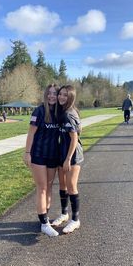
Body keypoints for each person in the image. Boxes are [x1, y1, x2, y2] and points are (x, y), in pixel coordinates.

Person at [23, 84, 60, 237]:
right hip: (38, 155)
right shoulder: (38, 111)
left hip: (53, 154)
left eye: (54, 93)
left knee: (50, 187)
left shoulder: (60, 112)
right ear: (45, 95)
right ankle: (44, 224)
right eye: (49, 93)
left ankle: (45, 217)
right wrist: (27, 153)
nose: (52, 96)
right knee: (42, 188)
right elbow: (30, 134)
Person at [51, 85, 84, 234]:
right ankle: (64, 214)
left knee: (71, 186)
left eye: (65, 95)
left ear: (70, 97)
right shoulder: (62, 112)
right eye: (60, 94)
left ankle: (75, 220)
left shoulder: (69, 114)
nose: (61, 97)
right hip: (62, 152)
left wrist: (68, 159)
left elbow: (74, 138)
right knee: (62, 185)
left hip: (72, 154)